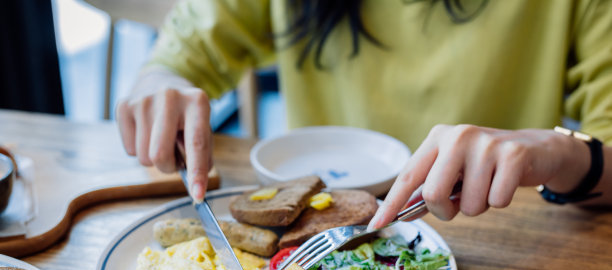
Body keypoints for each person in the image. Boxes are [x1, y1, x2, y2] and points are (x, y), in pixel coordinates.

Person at [116, 0, 612, 226]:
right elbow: (183, 54)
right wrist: (160, 81)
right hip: (317, 221)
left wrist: (562, 153)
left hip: (495, 228)